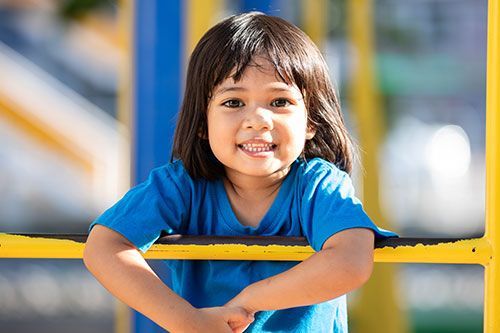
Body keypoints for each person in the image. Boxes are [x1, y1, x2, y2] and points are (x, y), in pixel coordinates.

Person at [83, 12, 396, 333]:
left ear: (311, 122)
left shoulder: (318, 186)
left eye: (279, 101)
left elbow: (351, 261)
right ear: (203, 122)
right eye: (234, 102)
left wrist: (252, 298)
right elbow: (105, 246)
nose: (258, 119)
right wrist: (185, 319)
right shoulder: (182, 185)